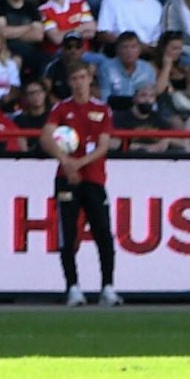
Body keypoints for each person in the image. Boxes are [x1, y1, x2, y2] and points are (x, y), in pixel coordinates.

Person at [41, 56, 121, 307]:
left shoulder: (102, 109)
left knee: (103, 233)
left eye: (82, 78)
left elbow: (103, 146)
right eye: (74, 79)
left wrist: (78, 163)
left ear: (90, 79)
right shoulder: (61, 108)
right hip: (67, 179)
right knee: (68, 233)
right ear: (69, 82)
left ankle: (107, 287)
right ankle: (73, 287)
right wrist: (65, 161)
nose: (79, 83)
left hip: (94, 178)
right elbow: (46, 137)